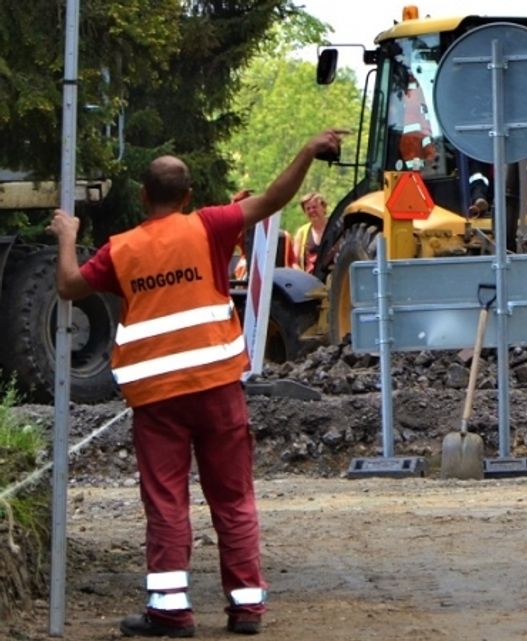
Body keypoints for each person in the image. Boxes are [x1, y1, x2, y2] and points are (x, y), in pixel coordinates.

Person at [48, 128, 346, 637]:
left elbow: (68, 287)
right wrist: (306, 150)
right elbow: (275, 198)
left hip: (158, 399)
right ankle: (247, 608)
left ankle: (170, 611)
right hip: (218, 389)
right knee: (233, 498)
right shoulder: (208, 225)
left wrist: (68, 237)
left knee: (166, 501)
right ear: (186, 197)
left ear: (144, 196)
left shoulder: (122, 249)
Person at [292, 191, 328, 273]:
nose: (311, 211)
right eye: (308, 209)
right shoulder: (302, 232)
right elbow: (293, 262)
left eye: (314, 207)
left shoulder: (335, 227)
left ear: (324, 207)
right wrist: (302, 276)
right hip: (310, 281)